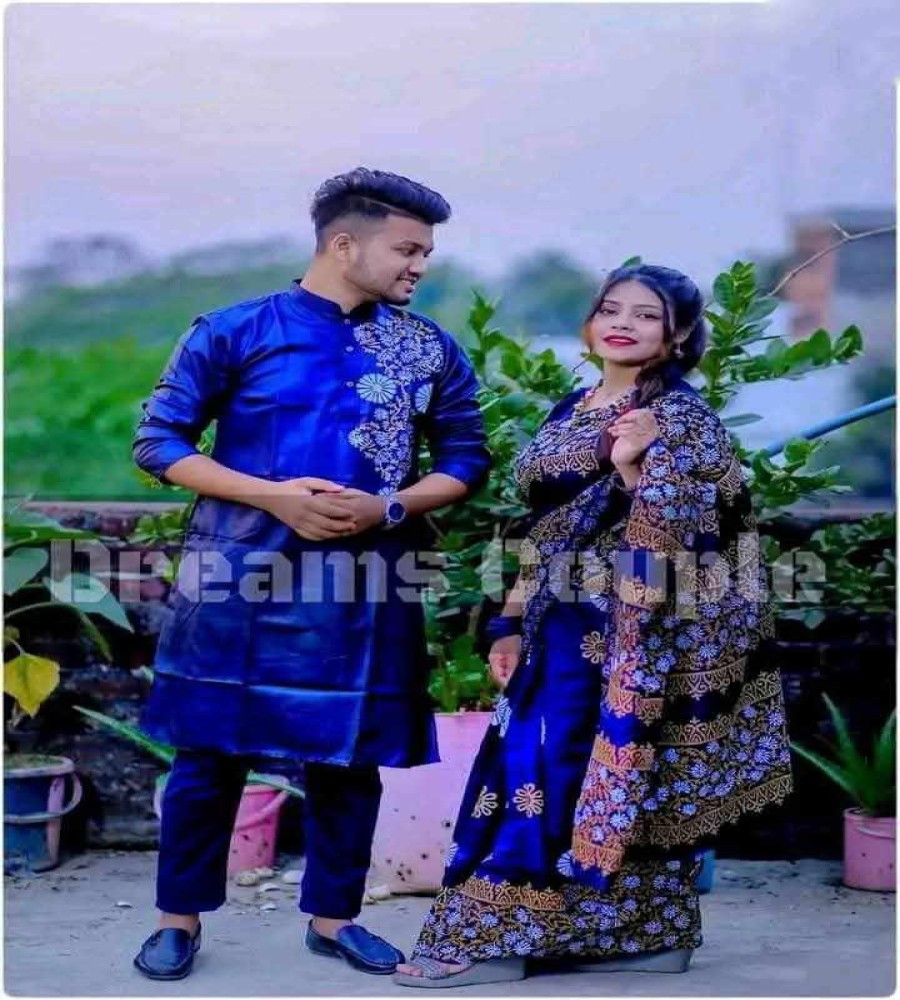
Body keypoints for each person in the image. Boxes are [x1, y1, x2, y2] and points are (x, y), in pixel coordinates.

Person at [130, 167, 491, 981]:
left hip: (365, 583)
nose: (419, 266)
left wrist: (388, 507)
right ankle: (177, 919)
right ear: (344, 244)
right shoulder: (234, 330)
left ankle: (334, 919)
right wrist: (275, 497)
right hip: (237, 577)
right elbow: (158, 443)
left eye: (425, 253)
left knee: (349, 760)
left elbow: (467, 458)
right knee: (207, 756)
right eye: (407, 250)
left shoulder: (428, 347)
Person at [394, 263, 793, 988]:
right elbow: (541, 526)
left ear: (678, 335)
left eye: (646, 315)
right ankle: (642, 938)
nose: (623, 324)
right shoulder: (571, 407)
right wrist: (508, 622)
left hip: (630, 632)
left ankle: (502, 939)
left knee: (568, 773)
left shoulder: (680, 417)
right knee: (544, 772)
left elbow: (706, 534)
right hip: (553, 621)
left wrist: (637, 469)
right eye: (611, 309)